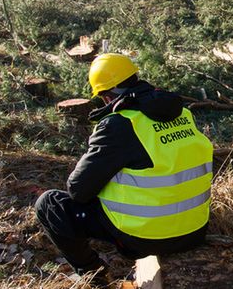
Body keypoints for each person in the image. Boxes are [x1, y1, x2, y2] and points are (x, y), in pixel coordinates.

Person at [35, 53, 213, 276]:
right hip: (195, 230)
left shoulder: (119, 125)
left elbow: (78, 190)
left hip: (144, 240)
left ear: (106, 97)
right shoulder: (183, 114)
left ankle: (93, 275)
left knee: (50, 204)